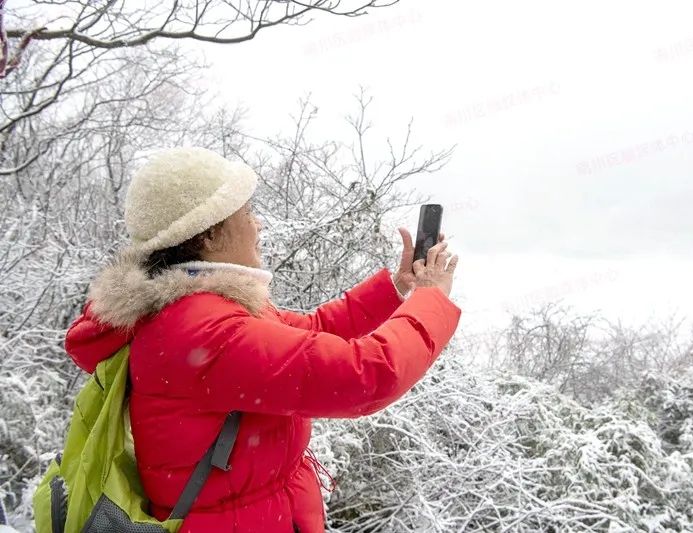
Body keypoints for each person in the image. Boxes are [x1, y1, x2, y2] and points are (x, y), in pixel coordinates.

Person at [64, 146, 461, 533]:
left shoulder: (200, 308)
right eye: (247, 213)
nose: (258, 225)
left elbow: (311, 330)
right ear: (212, 235)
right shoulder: (205, 331)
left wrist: (397, 287)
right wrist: (433, 298)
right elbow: (366, 375)